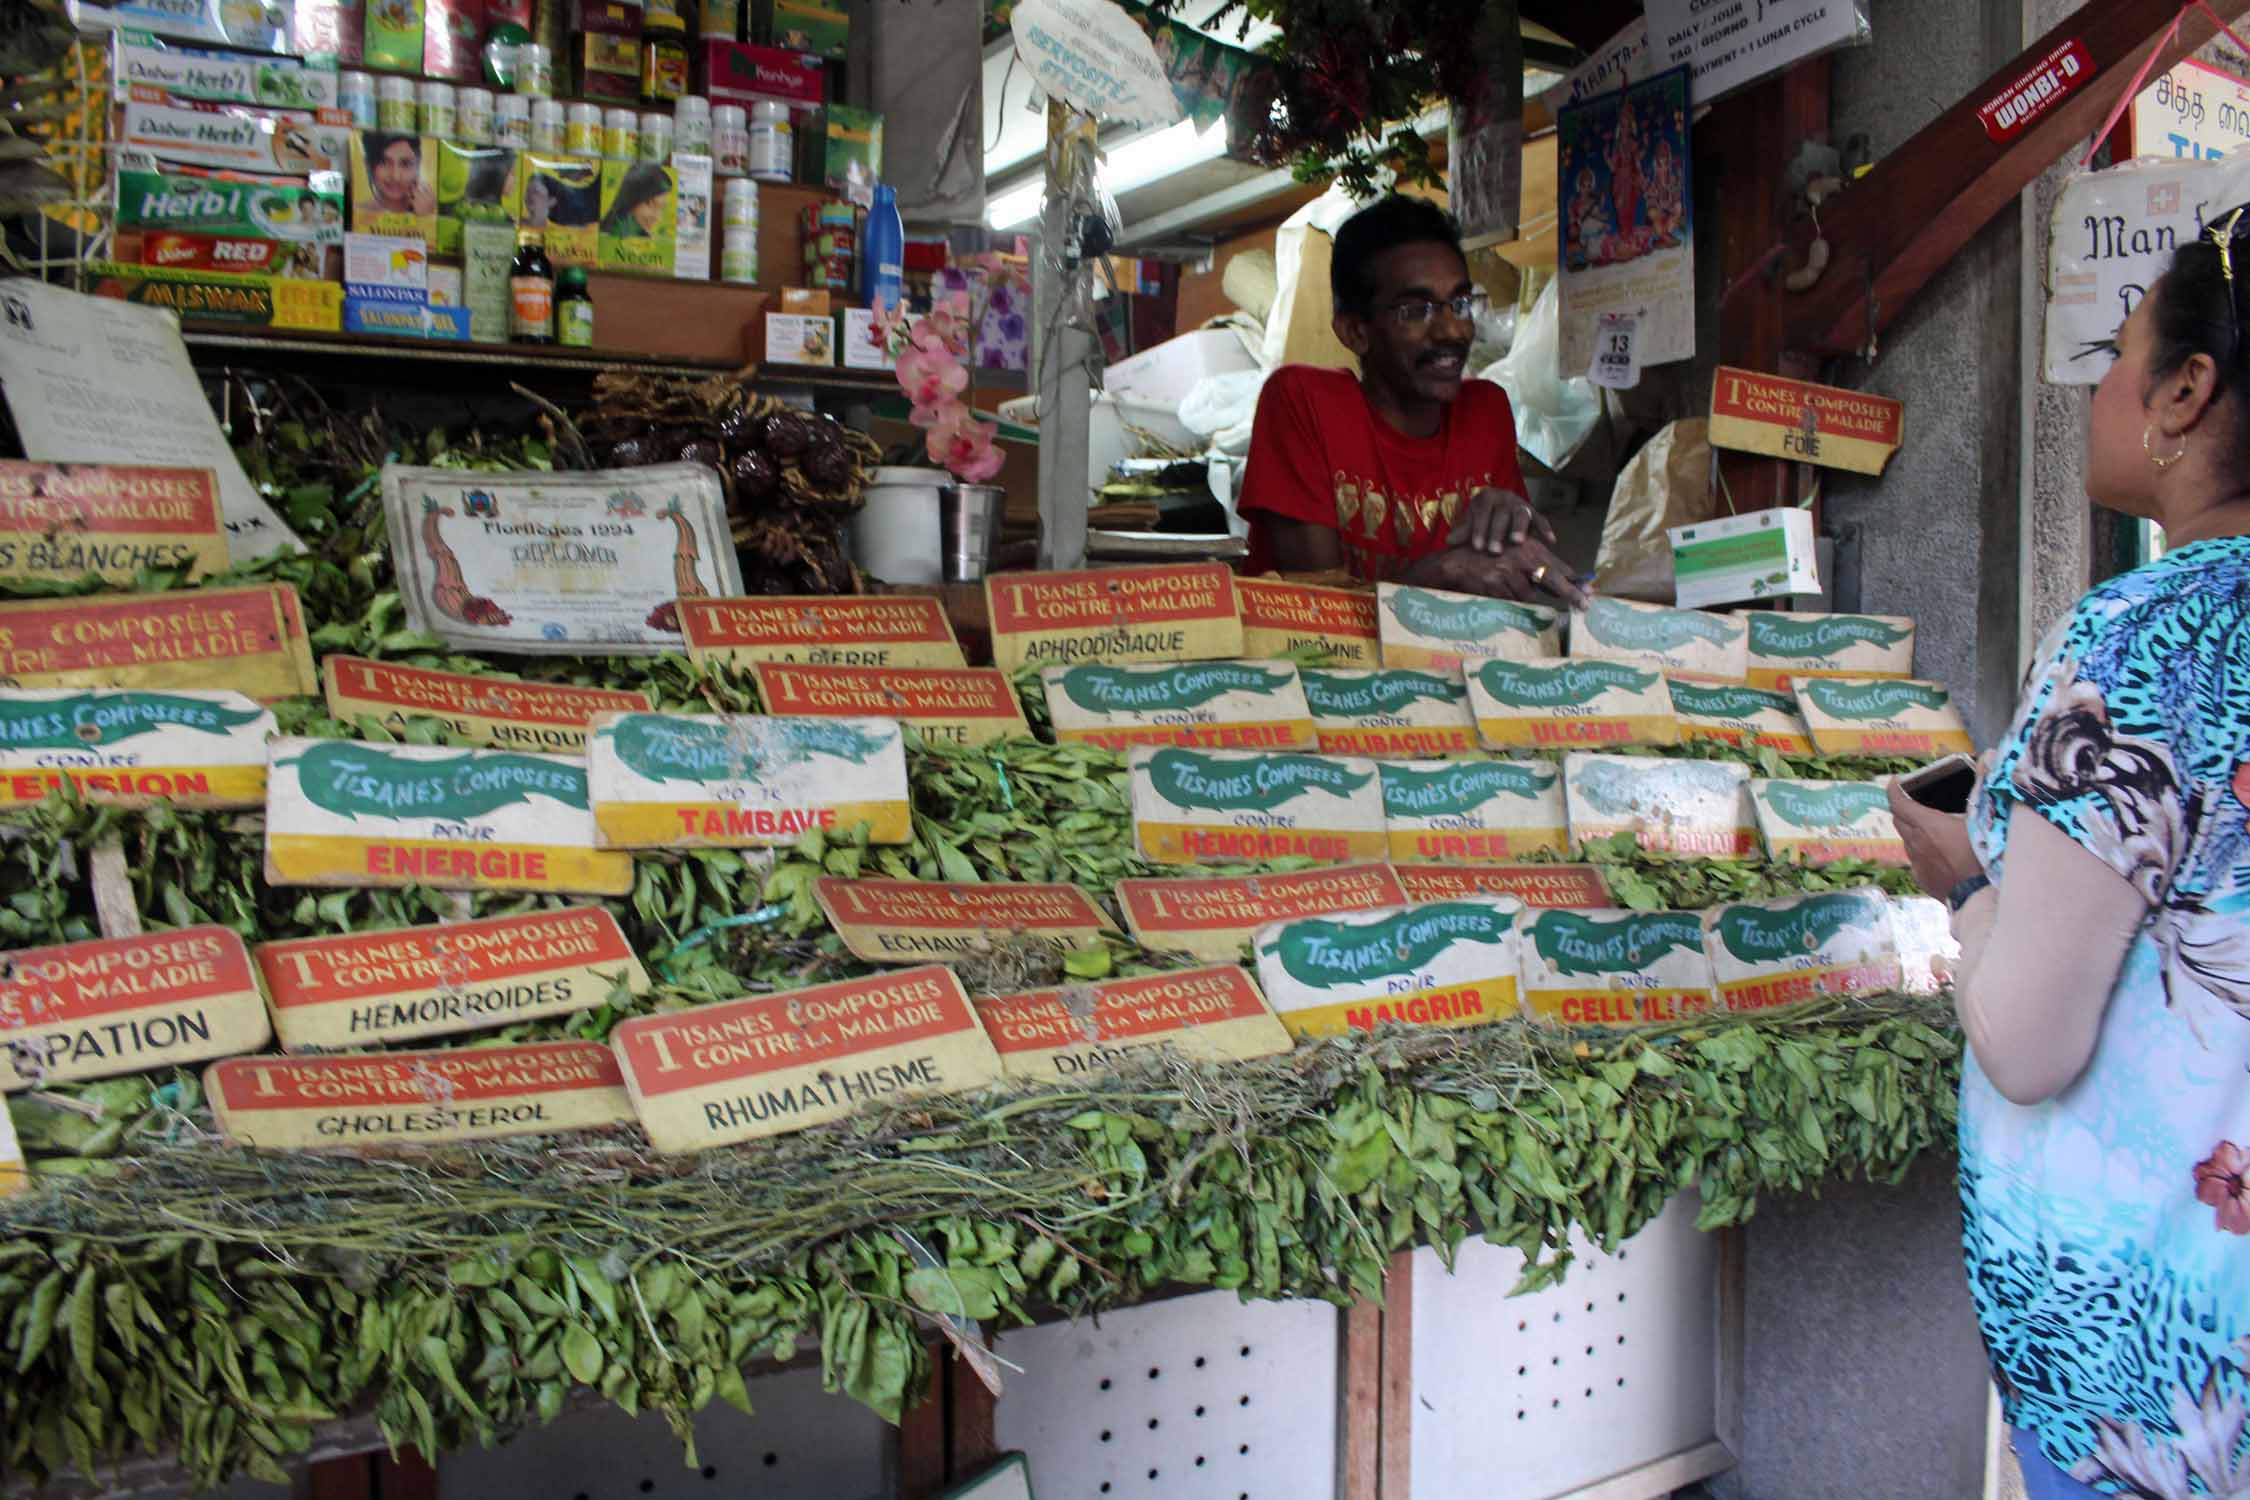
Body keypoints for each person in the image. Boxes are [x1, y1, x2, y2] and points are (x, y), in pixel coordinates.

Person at [1887, 211, 2250, 1498]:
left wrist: (1972, 880)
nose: (2095, 385)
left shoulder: (2140, 643)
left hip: (2163, 1379)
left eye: (2116, 351)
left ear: (2185, 394)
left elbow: (2030, 1042)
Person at [1237, 195, 1584, 605]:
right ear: (1355, 332)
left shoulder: (1485, 411)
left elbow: (1501, 588)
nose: (1451, 331)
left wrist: (1515, 534)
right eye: (1416, 310)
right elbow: (1320, 609)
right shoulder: (1302, 401)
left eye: (1459, 303)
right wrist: (1445, 571)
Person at [361, 132, 432, 217]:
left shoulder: (432, 213)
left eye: (406, 163)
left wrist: (426, 218)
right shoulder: (358, 213)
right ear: (367, 164)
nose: (396, 176)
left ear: (418, 164)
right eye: (383, 162)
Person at [601, 164, 672, 238]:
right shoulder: (605, 235)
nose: (657, 217)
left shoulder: (645, 237)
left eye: (661, 208)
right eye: (649, 204)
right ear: (631, 197)